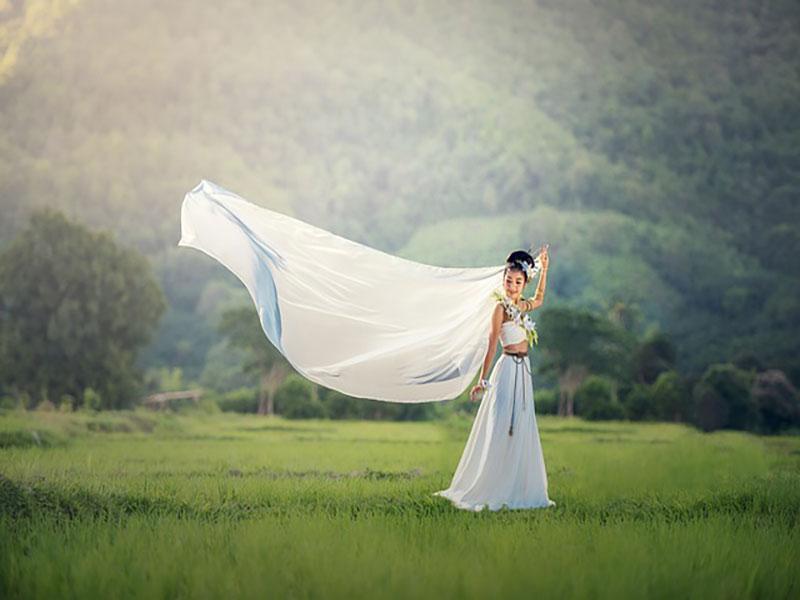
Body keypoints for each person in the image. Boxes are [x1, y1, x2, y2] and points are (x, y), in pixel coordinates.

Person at [433, 246, 556, 511]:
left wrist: (544, 269)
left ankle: (517, 484)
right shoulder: (500, 308)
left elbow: (540, 298)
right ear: (503, 281)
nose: (512, 286)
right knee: (502, 424)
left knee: (521, 424)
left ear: (524, 283)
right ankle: (493, 484)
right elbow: (491, 344)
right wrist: (482, 379)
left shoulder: (522, 306)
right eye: (508, 281)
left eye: (517, 282)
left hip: (524, 372)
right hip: (507, 369)